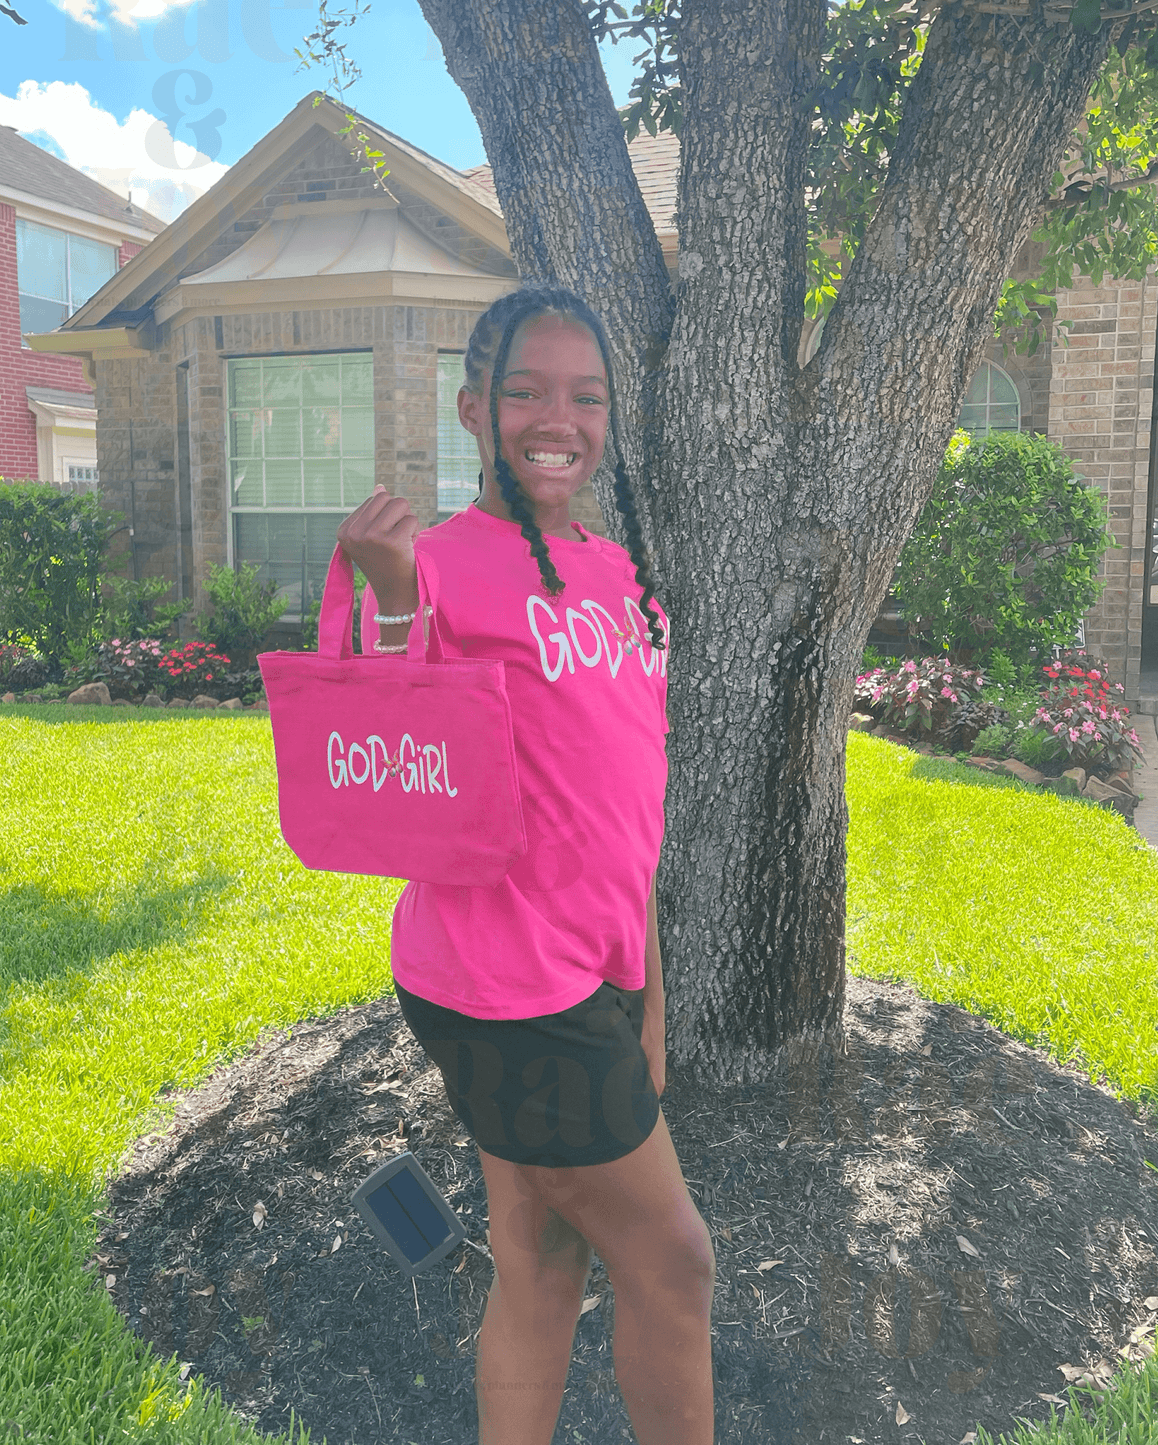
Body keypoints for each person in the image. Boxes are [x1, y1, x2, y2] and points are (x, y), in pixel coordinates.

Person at [335, 283, 715, 1445]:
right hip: (505, 983)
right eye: (526, 391)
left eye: (585, 395)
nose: (560, 417)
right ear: (470, 407)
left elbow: (626, 793)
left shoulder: (616, 573)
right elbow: (373, 767)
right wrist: (393, 601)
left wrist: (643, 985)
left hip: (584, 972)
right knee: (674, 1259)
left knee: (539, 1255)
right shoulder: (438, 565)